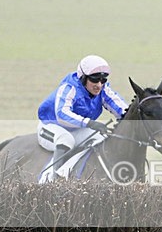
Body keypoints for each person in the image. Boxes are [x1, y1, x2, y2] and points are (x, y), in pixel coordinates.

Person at [36, 54, 129, 182]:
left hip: (77, 129)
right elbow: (62, 114)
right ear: (83, 78)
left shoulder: (102, 89)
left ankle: (66, 171)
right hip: (51, 126)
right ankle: (49, 180)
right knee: (66, 139)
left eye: (103, 80)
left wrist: (130, 116)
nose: (99, 85)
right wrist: (89, 123)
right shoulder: (69, 87)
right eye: (95, 80)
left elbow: (117, 105)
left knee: (99, 140)